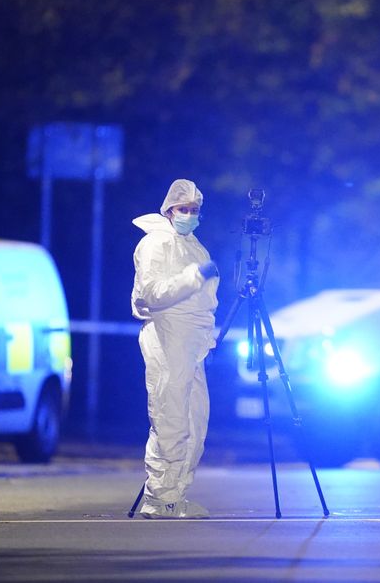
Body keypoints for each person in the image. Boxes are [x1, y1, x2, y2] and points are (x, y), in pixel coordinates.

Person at [131, 179, 220, 519]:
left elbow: (204, 302)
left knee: (195, 422)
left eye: (195, 210)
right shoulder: (155, 244)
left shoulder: (194, 246)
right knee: (170, 419)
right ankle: (159, 498)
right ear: (169, 210)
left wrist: (206, 339)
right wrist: (193, 278)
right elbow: (152, 293)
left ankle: (177, 496)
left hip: (192, 345)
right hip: (167, 337)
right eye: (184, 209)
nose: (190, 215)